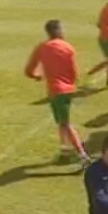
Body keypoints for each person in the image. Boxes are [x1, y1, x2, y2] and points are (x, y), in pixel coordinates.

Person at [24, 20, 91, 165]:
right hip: (68, 90)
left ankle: (82, 155)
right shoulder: (68, 48)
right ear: (59, 30)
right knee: (61, 122)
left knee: (65, 123)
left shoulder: (42, 48)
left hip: (55, 90)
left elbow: (28, 71)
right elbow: (74, 72)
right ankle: (65, 151)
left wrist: (37, 76)